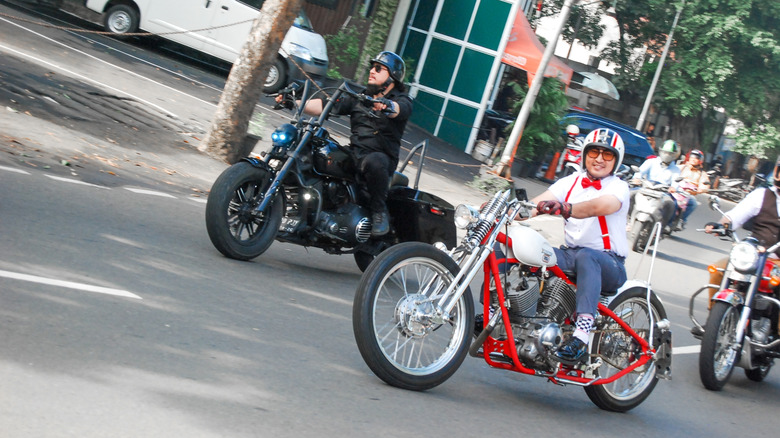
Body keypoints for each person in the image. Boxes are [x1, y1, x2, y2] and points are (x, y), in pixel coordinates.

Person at [275, 51, 412, 236]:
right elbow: (324, 105)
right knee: (318, 148)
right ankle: (308, 206)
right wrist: (293, 102)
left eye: (378, 68)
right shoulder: (361, 97)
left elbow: (399, 110)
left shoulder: (401, 100)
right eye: (372, 67)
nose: (372, 71)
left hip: (379, 159)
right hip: (354, 154)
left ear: (392, 77)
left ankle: (379, 212)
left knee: (375, 161)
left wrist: (387, 106)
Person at [531, 128, 630, 364]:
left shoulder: (618, 187)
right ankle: (499, 314)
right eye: (594, 151)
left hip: (610, 263)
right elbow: (537, 203)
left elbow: (600, 206)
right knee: (529, 250)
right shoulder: (571, 181)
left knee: (588, 256)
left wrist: (566, 208)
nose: (599, 158)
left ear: (616, 161)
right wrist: (505, 209)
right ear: (585, 154)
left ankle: (581, 336)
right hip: (571, 255)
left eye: (607, 155)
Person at [703, 156, 780, 309]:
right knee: (718, 270)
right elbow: (736, 215)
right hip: (753, 256)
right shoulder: (761, 195)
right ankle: (713, 318)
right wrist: (720, 225)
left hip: (777, 261)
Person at [630, 139, 682, 233]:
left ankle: (664, 227)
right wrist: (637, 178)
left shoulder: (676, 169)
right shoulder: (651, 162)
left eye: (670, 154)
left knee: (672, 205)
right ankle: (628, 219)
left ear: (674, 155)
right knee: (630, 194)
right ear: (660, 151)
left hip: (663, 193)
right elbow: (640, 172)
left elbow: (676, 182)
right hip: (646, 188)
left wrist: (673, 188)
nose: (667, 155)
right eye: (665, 152)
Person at [675, 149, 711, 230]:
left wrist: (701, 189)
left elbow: (705, 184)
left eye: (696, 158)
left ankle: (682, 220)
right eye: (692, 157)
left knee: (693, 203)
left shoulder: (702, 173)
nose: (693, 159)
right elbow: (672, 174)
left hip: (688, 195)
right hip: (676, 191)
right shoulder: (681, 167)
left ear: (700, 161)